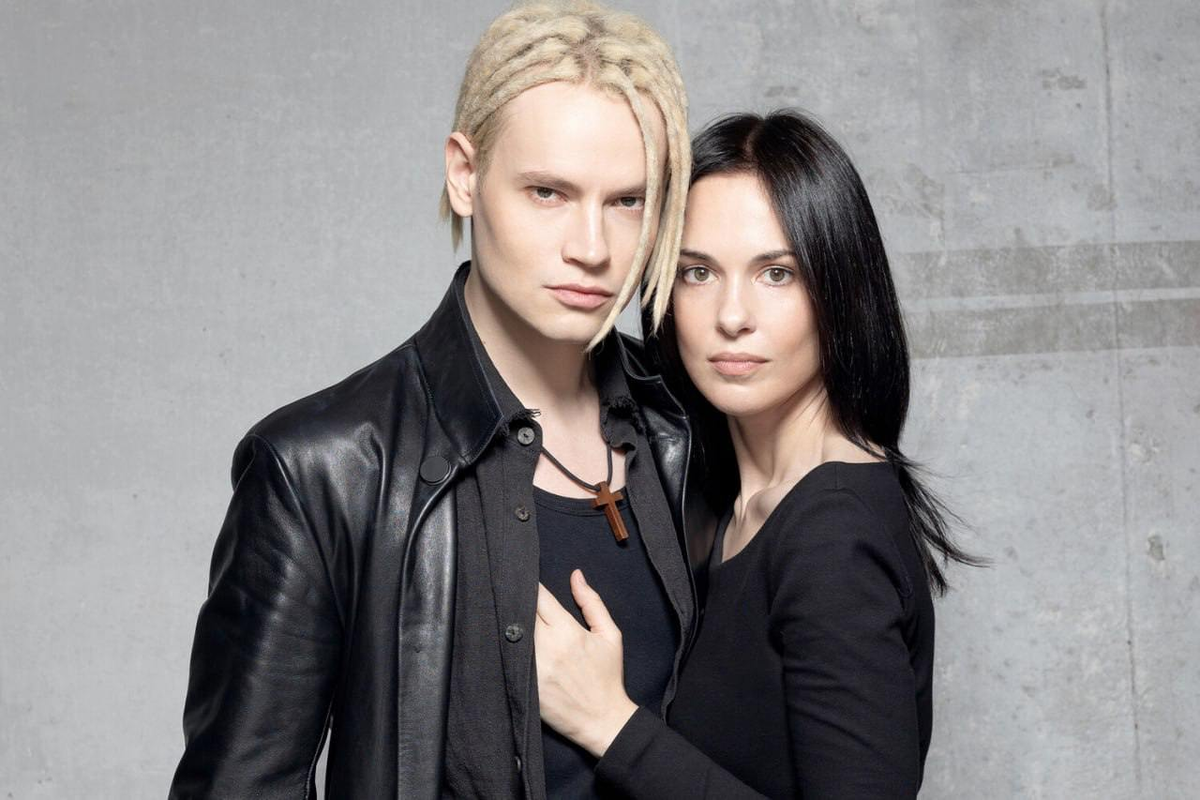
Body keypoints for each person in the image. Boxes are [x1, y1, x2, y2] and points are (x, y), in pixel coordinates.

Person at [168, 2, 707, 798]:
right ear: (464, 175)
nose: (591, 248)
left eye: (628, 201)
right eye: (548, 192)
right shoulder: (324, 469)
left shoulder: (685, 428)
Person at [533, 110, 978, 799]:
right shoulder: (727, 504)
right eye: (698, 273)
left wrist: (609, 724)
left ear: (840, 289)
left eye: (776, 274)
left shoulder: (832, 533)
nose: (732, 316)